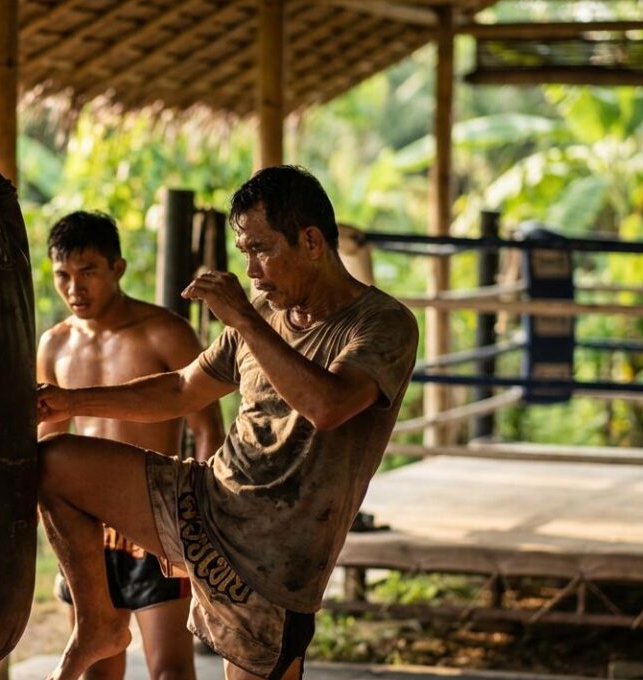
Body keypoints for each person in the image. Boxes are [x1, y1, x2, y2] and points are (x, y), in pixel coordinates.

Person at [36, 166, 419, 680]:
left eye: (261, 249)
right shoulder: (264, 315)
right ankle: (98, 622)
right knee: (54, 463)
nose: (253, 272)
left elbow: (328, 407)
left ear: (310, 242)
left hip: (275, 559)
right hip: (204, 501)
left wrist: (245, 319)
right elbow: (180, 389)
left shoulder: (381, 323)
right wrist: (69, 403)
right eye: (245, 255)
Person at [39, 211, 225, 680]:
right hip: (86, 531)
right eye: (63, 275)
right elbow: (49, 443)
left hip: (155, 521)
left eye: (89, 272)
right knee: (97, 669)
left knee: (170, 672)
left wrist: (203, 529)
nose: (74, 289)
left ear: (117, 269)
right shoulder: (54, 345)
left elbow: (206, 430)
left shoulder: (165, 332)